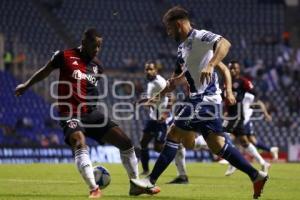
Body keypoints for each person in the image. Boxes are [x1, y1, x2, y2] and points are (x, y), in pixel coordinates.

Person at [130, 6, 268, 199]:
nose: (168, 33)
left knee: (174, 133)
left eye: (169, 28)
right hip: (200, 100)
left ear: (178, 24)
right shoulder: (182, 48)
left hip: (205, 99)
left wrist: (212, 66)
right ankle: (256, 175)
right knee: (217, 145)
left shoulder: (200, 37)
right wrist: (158, 96)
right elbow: (178, 79)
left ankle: (149, 181)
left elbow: (225, 44)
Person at [15, 28, 159, 198]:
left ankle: (135, 184)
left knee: (126, 142)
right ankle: (94, 188)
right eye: (94, 46)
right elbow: (45, 71)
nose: (97, 50)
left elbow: (90, 89)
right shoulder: (64, 56)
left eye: (99, 46)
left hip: (91, 114)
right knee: (80, 144)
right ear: (84, 43)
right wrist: (26, 85)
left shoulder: (97, 66)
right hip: (70, 113)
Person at [223, 61, 271, 176]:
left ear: (239, 70)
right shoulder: (226, 82)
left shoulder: (243, 82)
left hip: (237, 114)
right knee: (244, 142)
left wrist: (242, 100)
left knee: (224, 135)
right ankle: (263, 162)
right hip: (231, 114)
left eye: (235, 68)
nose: (232, 70)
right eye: (231, 68)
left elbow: (254, 93)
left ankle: (232, 162)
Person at [224, 91, 279, 176]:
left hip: (242, 122)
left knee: (231, 138)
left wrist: (266, 114)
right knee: (246, 142)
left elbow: (259, 103)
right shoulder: (237, 94)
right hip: (238, 120)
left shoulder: (247, 95)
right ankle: (265, 160)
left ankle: (232, 162)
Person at [138, 60, 173, 175]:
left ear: (156, 70)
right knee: (143, 143)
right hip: (153, 118)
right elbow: (152, 99)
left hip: (162, 120)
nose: (148, 71)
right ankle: (146, 170)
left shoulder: (160, 81)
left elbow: (171, 97)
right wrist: (140, 101)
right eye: (146, 69)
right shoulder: (150, 83)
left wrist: (165, 114)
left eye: (150, 69)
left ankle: (174, 152)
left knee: (158, 148)